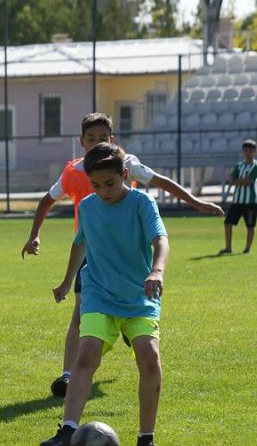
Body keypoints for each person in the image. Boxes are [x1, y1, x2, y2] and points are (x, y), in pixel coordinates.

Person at [20, 112, 222, 398]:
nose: (96, 143)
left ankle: (127, 330)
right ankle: (68, 375)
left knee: (122, 311)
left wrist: (195, 202)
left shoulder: (125, 164)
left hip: (128, 253)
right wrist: (34, 235)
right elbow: (47, 200)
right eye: (91, 139)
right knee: (80, 309)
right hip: (94, 250)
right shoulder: (75, 171)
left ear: (112, 140)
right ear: (81, 143)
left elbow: (160, 181)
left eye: (102, 138)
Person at [40, 143, 169, 446]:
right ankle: (68, 431)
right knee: (85, 357)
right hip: (99, 294)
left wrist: (157, 271)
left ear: (125, 175)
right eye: (95, 185)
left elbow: (160, 240)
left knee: (149, 358)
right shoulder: (87, 207)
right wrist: (67, 281)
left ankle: (146, 439)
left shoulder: (141, 203)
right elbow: (80, 244)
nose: (103, 191)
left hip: (139, 294)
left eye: (109, 183)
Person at [220, 139, 257, 255]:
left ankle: (247, 248)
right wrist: (240, 181)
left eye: (251, 151)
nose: (248, 153)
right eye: (246, 150)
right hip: (237, 200)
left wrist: (238, 181)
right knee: (228, 223)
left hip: (251, 201)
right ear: (243, 151)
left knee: (250, 225)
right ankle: (228, 247)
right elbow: (231, 180)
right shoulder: (240, 165)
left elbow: (248, 181)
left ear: (255, 152)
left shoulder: (256, 166)